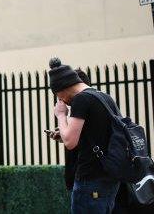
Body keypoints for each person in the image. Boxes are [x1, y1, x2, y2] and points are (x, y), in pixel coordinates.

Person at [50, 58, 123, 213]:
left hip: (90, 179)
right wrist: (63, 134)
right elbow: (97, 134)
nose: (61, 100)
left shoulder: (81, 99)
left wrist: (61, 115)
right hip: (109, 177)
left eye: (58, 96)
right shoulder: (102, 96)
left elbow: (70, 142)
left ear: (63, 88)